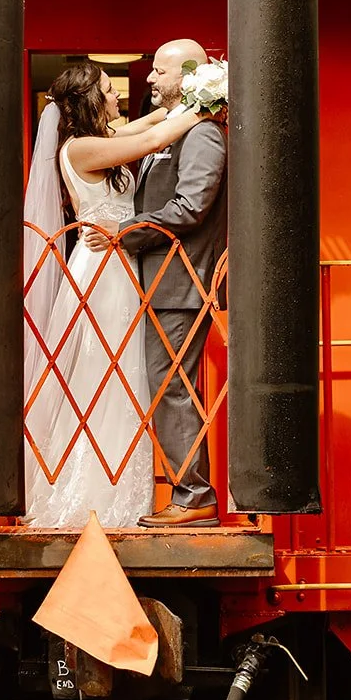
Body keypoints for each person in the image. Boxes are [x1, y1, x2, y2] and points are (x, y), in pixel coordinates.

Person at [23, 62, 208, 528]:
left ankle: (122, 490)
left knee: (126, 376)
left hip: (120, 265)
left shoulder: (100, 140)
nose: (118, 98)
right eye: (109, 91)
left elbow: (149, 124)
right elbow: (149, 140)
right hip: (101, 271)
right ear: (89, 100)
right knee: (98, 375)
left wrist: (191, 100)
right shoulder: (80, 148)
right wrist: (211, 103)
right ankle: (90, 495)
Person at [83, 39, 226, 528]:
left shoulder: (202, 135)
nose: (148, 79)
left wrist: (123, 233)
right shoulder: (173, 130)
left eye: (159, 72)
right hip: (160, 281)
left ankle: (195, 497)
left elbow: (190, 207)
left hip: (181, 282)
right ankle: (189, 492)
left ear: (188, 75)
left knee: (172, 386)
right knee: (166, 385)